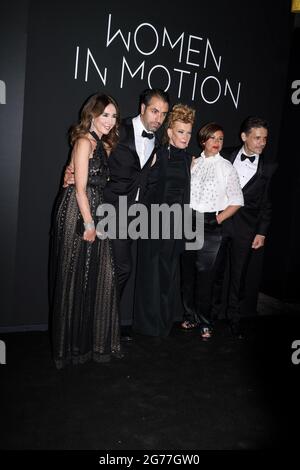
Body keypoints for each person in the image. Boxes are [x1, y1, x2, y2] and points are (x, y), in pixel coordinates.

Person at [64, 89, 170, 340]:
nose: (158, 118)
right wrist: (70, 172)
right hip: (108, 209)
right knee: (122, 268)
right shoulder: (116, 130)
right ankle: (102, 324)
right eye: (154, 111)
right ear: (142, 108)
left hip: (135, 216)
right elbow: (89, 154)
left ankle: (100, 325)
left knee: (110, 270)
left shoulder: (159, 139)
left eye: (163, 114)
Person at [50, 93, 122, 369]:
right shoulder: (83, 141)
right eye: (105, 114)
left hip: (94, 209)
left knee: (97, 276)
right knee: (73, 277)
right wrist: (89, 223)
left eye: (113, 116)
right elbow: (79, 188)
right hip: (78, 214)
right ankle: (69, 348)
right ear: (91, 114)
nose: (110, 120)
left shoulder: (103, 145)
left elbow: (82, 179)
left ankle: (88, 344)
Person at [133, 104, 195, 337]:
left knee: (168, 276)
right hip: (153, 223)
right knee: (150, 274)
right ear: (169, 132)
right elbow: (143, 185)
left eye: (188, 132)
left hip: (176, 225)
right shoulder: (157, 154)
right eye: (181, 131)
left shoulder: (191, 160)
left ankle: (164, 323)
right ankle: (147, 325)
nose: (186, 137)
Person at [180, 122, 244, 339]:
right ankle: (190, 316)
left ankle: (205, 321)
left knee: (206, 276)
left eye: (221, 139)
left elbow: (236, 201)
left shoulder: (226, 167)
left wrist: (217, 220)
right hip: (190, 221)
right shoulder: (193, 164)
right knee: (188, 275)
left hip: (211, 225)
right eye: (213, 138)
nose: (217, 143)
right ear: (203, 140)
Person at [218, 116, 277, 338]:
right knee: (216, 273)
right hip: (222, 223)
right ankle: (210, 319)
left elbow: (266, 202)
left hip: (246, 229)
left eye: (265, 139)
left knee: (238, 278)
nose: (262, 143)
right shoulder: (225, 155)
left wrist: (262, 231)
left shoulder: (269, 167)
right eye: (257, 138)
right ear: (244, 137)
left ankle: (234, 321)